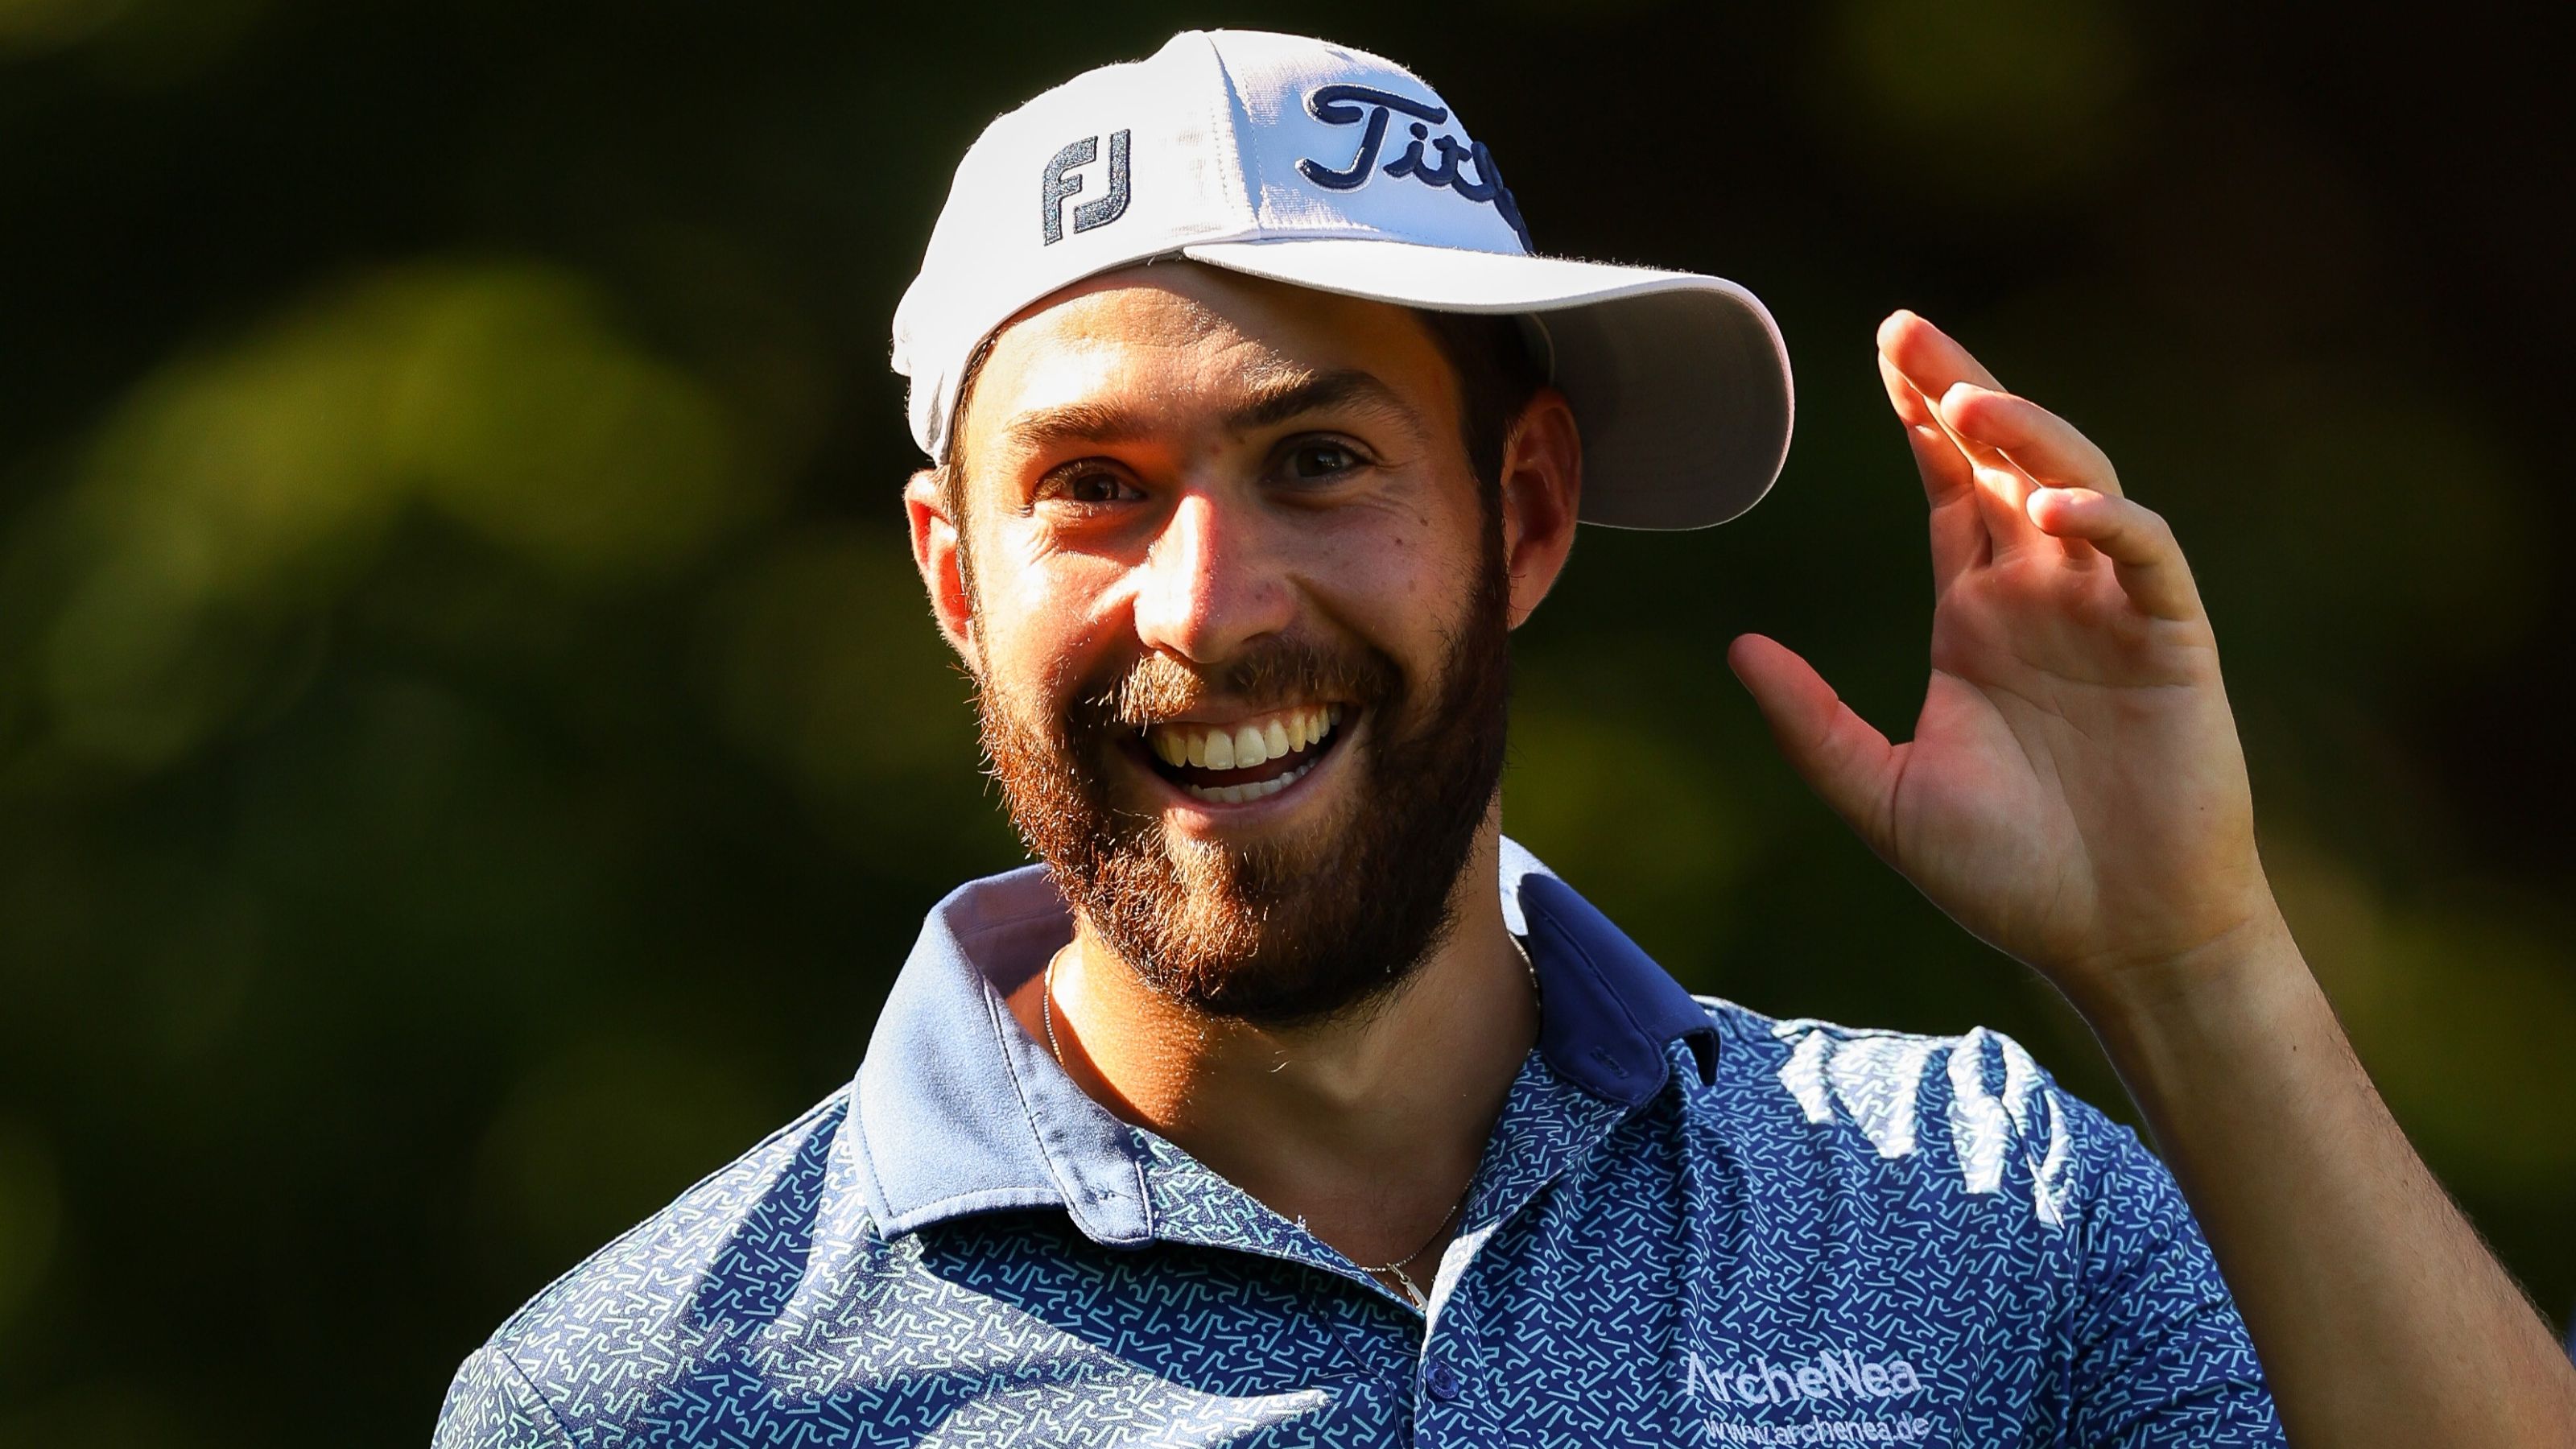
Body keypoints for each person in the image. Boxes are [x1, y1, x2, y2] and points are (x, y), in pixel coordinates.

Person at [433, 30, 2576, 1448]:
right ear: (956, 577)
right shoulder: (639, 1402)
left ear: (1525, 514)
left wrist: (2194, 967)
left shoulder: (1980, 1213)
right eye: (1094, 485)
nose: (1210, 605)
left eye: (1323, 461)